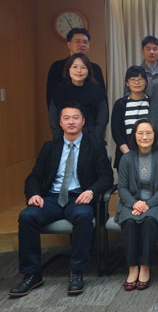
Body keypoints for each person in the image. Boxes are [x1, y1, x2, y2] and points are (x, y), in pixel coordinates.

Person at [9, 102, 113, 298]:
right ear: (60, 122)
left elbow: (106, 177)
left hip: (79, 197)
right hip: (52, 198)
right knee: (27, 216)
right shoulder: (50, 147)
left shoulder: (96, 146)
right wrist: (33, 194)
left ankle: (76, 270)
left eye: (75, 118)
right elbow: (34, 177)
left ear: (83, 121)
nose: (71, 122)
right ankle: (32, 274)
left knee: (83, 217)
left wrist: (91, 191)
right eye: (66, 118)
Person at [116, 118, 158, 291]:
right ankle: (132, 268)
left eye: (149, 132)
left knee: (148, 221)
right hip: (130, 204)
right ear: (134, 136)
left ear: (155, 136)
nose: (145, 136)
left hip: (156, 203)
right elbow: (122, 187)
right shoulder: (127, 158)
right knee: (130, 222)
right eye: (140, 133)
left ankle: (145, 267)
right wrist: (135, 203)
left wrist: (147, 204)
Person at [48, 53, 108, 142]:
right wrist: (62, 140)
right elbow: (54, 121)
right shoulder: (59, 92)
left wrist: (94, 139)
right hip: (64, 141)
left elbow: (102, 120)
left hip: (92, 141)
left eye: (83, 67)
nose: (79, 71)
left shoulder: (97, 92)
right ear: (68, 69)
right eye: (75, 67)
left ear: (88, 71)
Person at [46, 28, 105, 108]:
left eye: (85, 42)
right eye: (77, 41)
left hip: (91, 117)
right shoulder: (57, 67)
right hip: (65, 117)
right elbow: (50, 97)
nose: (82, 45)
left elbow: (102, 97)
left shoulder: (95, 68)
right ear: (69, 45)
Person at [111, 66, 150, 169]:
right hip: (126, 155)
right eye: (132, 80)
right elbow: (116, 132)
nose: (136, 83)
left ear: (146, 82)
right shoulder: (120, 104)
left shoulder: (153, 102)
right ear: (127, 83)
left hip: (150, 156)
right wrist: (128, 155)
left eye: (140, 79)